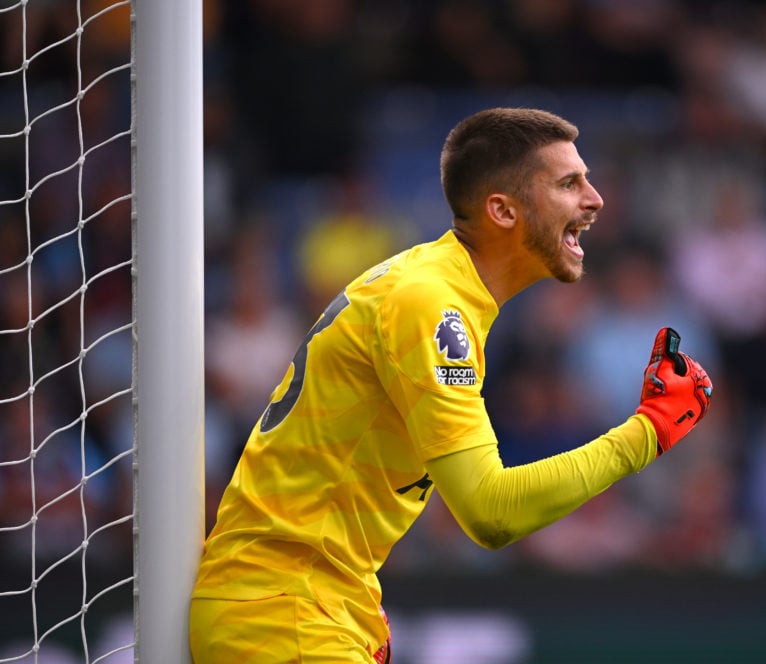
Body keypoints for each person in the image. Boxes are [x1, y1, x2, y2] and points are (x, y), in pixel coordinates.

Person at [189, 107, 713, 663]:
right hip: (283, 611)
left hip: (306, 604)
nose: (595, 198)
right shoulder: (433, 306)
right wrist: (647, 433)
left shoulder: (436, 288)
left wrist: (355, 600)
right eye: (568, 183)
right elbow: (491, 511)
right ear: (503, 211)